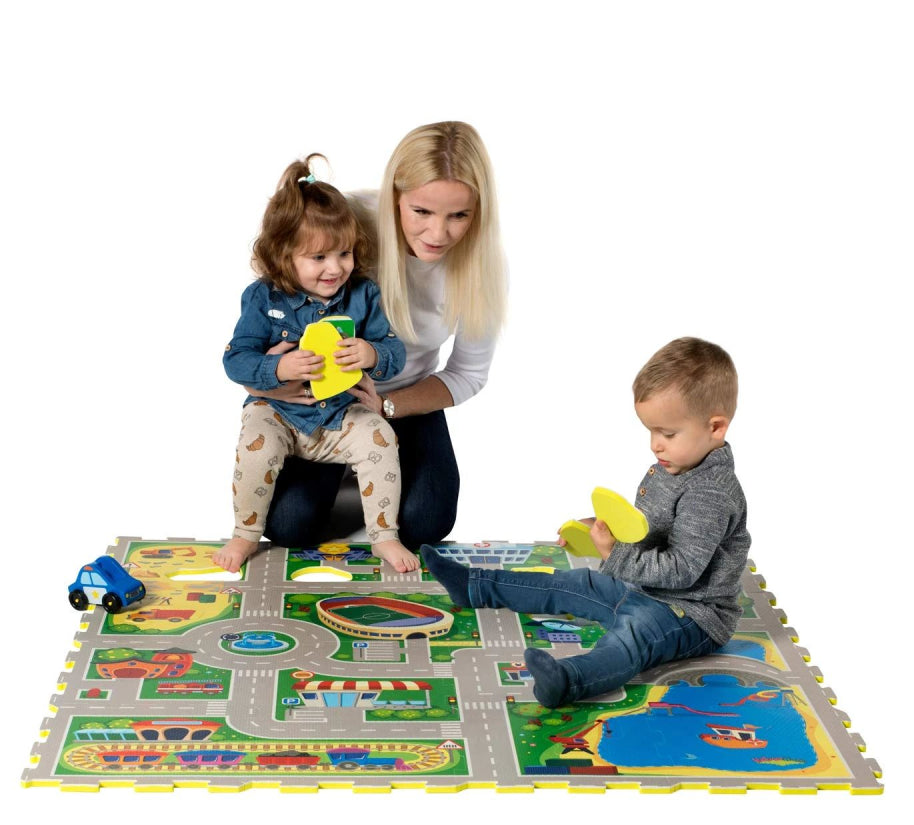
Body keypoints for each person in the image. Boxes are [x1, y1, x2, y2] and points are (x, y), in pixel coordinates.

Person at [421, 338, 751, 708]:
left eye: (667, 434)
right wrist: (600, 527)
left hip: (690, 613)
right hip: (640, 586)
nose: (655, 445)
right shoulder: (675, 463)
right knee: (571, 583)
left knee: (632, 635)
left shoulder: (710, 493)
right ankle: (475, 586)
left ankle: (568, 680)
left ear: (716, 427)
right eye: (651, 431)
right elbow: (649, 528)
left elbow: (682, 570)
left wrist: (615, 553)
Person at [250, 122, 506, 550]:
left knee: (426, 525)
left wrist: (388, 406)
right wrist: (266, 379)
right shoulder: (346, 221)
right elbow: (269, 297)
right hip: (322, 397)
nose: (438, 234)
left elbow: (468, 373)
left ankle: (372, 462)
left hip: (406, 397)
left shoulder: (484, 266)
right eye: (421, 211)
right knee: (288, 526)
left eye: (459, 215)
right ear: (394, 196)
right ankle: (349, 466)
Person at [214, 155, 420, 574]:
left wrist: (372, 354)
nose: (335, 268)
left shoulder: (363, 294)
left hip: (341, 412)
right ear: (283, 255)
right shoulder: (263, 297)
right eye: (319, 257)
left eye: (344, 253)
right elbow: (235, 360)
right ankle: (245, 532)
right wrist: (278, 370)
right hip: (277, 411)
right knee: (256, 447)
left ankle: (384, 534)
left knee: (380, 437)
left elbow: (394, 351)